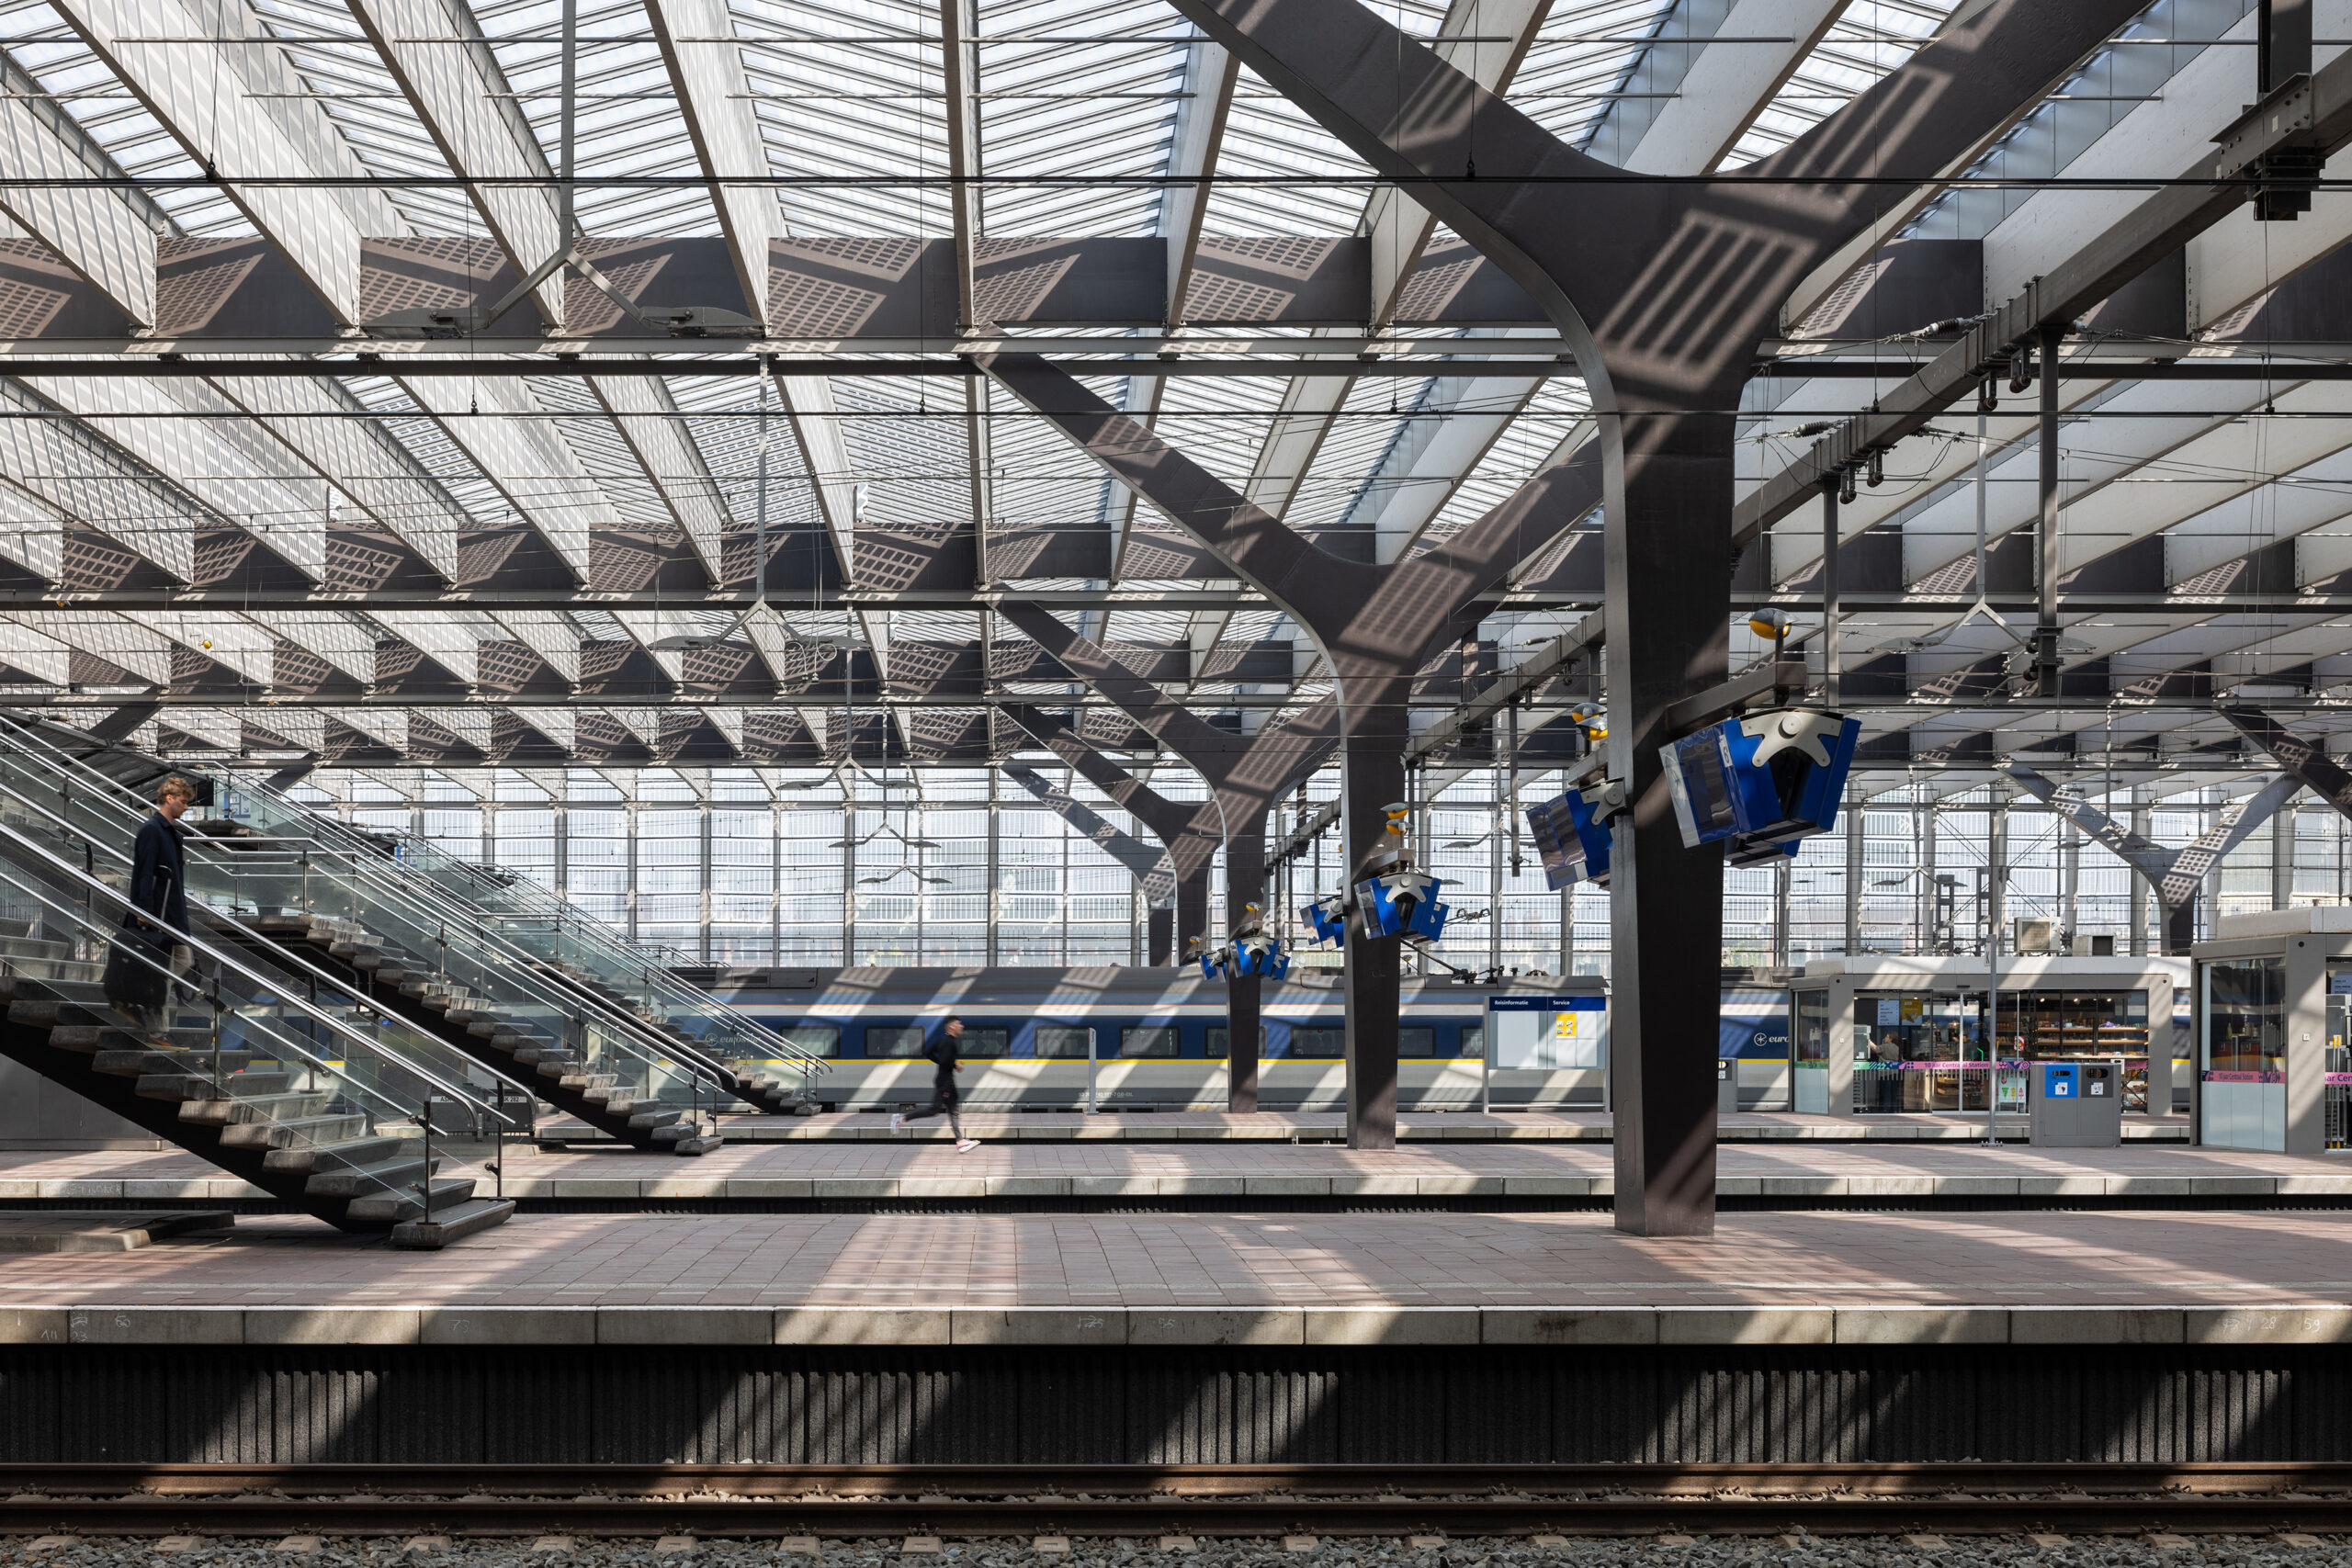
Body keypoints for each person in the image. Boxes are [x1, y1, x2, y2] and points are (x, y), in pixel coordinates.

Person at [122, 775, 195, 1039]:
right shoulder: (153, 830)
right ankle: (157, 1031)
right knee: (165, 968)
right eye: (183, 802)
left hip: (171, 912)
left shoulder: (168, 832)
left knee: (180, 962)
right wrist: (143, 910)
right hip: (159, 914)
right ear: (169, 798)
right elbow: (144, 872)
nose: (186, 807)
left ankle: (141, 997)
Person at [893, 1016, 978, 1151]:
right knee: (934, 1110)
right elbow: (944, 1061)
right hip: (946, 1082)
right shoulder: (949, 1043)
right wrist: (956, 1065)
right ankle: (902, 1118)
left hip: (945, 1080)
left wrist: (947, 1064)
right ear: (951, 1026)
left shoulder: (942, 1040)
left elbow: (929, 1053)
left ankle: (960, 1141)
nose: (962, 1026)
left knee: (954, 1110)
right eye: (959, 1024)